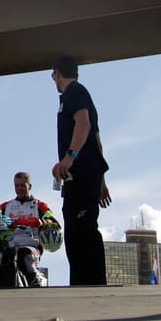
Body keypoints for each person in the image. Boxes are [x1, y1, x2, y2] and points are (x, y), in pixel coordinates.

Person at [50, 55, 111, 286]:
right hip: (88, 176)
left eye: (52, 76)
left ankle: (90, 285)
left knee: (82, 233)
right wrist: (101, 182)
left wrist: (69, 157)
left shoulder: (74, 91)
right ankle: (85, 283)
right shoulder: (77, 94)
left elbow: (84, 124)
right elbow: (97, 141)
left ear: (57, 73)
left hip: (82, 174)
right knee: (78, 230)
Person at [0, 171, 58, 287]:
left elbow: (51, 219)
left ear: (29, 186)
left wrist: (44, 222)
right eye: (17, 185)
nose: (19, 188)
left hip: (31, 246)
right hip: (9, 244)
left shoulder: (39, 205)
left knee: (23, 255)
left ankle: (35, 280)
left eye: (22, 185)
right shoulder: (6, 205)